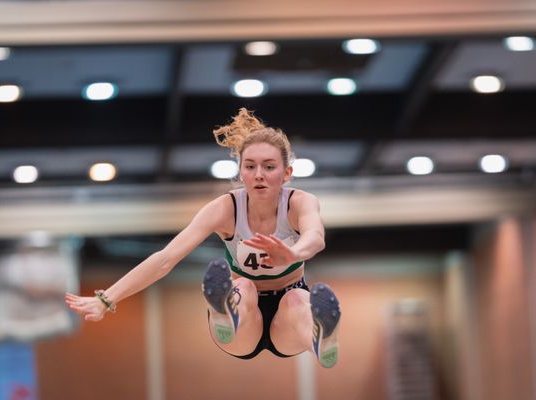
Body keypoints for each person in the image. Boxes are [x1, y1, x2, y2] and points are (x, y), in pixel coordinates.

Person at [65, 108, 341, 368]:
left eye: (269, 167)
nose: (259, 175)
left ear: (287, 173)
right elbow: (165, 259)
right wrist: (106, 299)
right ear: (240, 172)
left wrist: (293, 253)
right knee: (243, 286)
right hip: (243, 319)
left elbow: (315, 237)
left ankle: (321, 339)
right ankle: (225, 313)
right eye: (250, 166)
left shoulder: (301, 203)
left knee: (297, 300)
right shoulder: (224, 209)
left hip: (287, 320)